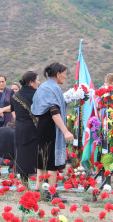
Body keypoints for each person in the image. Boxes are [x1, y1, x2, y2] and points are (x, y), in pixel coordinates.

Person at [31, 62, 74, 202]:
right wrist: (65, 131)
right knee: (51, 162)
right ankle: (52, 193)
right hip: (51, 127)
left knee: (42, 159)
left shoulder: (44, 87)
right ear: (57, 74)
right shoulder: (50, 88)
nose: (65, 77)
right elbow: (54, 111)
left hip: (43, 125)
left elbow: (37, 111)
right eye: (64, 73)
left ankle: (38, 191)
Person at [11, 71, 40, 183]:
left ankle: (24, 181)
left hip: (20, 127)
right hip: (33, 127)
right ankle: (41, 179)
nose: (38, 82)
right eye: (37, 79)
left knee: (22, 153)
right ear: (31, 82)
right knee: (35, 152)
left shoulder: (15, 95)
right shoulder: (36, 94)